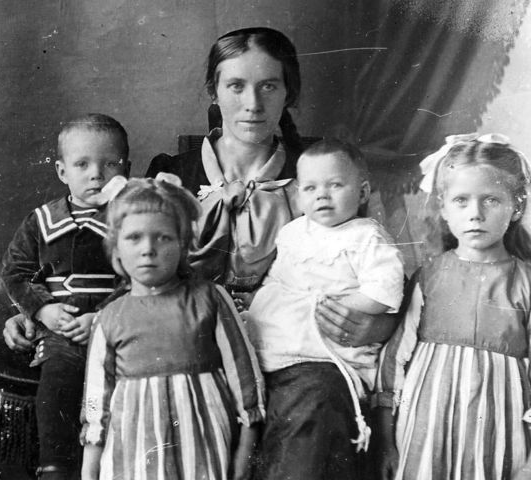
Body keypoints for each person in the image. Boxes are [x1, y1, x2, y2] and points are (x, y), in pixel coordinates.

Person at [144, 26, 398, 347]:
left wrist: (378, 327)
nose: (253, 103)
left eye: (268, 86)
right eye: (236, 86)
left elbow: (382, 273)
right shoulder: (171, 175)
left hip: (293, 342)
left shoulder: (323, 180)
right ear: (213, 91)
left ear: (287, 93)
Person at [374, 134, 531, 480]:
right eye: (461, 201)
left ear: (516, 207)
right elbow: (393, 363)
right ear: (443, 208)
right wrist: (387, 443)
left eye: (491, 200)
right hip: (426, 435)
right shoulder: (428, 277)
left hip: (499, 438)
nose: (476, 214)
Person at [80, 177, 265, 480]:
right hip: (134, 454)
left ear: (183, 243)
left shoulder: (209, 299)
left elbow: (245, 379)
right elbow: (95, 404)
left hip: (203, 449)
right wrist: (89, 473)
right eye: (134, 237)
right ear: (116, 248)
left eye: (163, 237)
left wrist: (244, 457)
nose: (148, 249)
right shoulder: (109, 317)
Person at [245, 139, 404, 480]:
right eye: (311, 188)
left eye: (335, 185)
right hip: (279, 345)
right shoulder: (293, 233)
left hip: (331, 349)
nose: (322, 196)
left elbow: (385, 292)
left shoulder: (367, 236)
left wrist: (338, 306)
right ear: (299, 195)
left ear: (362, 192)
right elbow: (276, 280)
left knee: (314, 401)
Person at [0, 113, 130, 479]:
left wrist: (102, 318)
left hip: (117, 325)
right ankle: (55, 466)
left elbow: (140, 278)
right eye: (82, 164)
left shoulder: (132, 220)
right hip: (62, 329)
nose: (96, 175)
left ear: (127, 168)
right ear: (61, 171)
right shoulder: (42, 222)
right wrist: (42, 309)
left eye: (110, 164)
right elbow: (16, 273)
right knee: (58, 380)